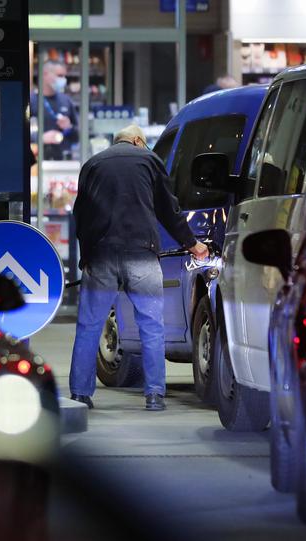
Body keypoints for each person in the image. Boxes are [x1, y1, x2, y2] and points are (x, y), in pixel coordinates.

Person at [69, 125, 209, 411]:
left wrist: (86, 257)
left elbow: (80, 215)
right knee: (151, 326)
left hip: (102, 255)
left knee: (89, 326)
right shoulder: (149, 161)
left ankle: (80, 394)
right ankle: (155, 395)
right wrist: (192, 243)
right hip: (142, 255)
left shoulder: (93, 165)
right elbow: (168, 210)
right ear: (137, 141)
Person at [32, 59, 79, 160]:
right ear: (45, 74)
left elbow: (79, 135)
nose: (63, 80)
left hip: (63, 159)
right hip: (37, 160)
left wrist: (69, 127)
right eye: (60, 76)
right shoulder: (31, 100)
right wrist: (40, 138)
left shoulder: (66, 100)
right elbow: (17, 134)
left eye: (64, 76)